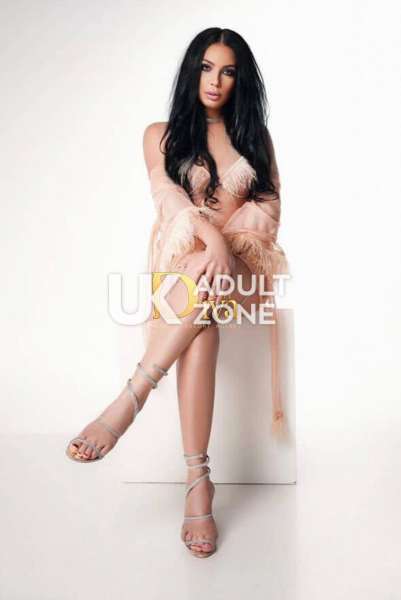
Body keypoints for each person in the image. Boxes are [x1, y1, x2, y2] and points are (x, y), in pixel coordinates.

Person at [65, 27, 290, 559]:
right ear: (192, 71)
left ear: (240, 81)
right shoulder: (160, 135)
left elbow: (270, 209)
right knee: (201, 314)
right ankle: (198, 481)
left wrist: (229, 244)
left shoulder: (256, 137)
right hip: (186, 265)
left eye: (228, 71)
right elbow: (168, 200)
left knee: (211, 279)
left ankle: (131, 397)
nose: (215, 80)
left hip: (244, 264)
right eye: (206, 68)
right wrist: (211, 240)